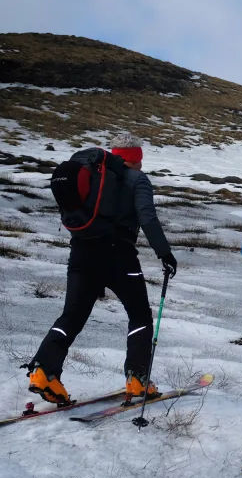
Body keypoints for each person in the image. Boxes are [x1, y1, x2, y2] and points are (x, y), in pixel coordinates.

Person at [27, 133, 177, 404]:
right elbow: (147, 218)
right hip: (119, 256)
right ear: (136, 159)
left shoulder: (93, 174)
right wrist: (165, 253)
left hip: (82, 253)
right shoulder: (137, 179)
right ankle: (137, 379)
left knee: (71, 317)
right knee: (139, 317)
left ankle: (43, 371)